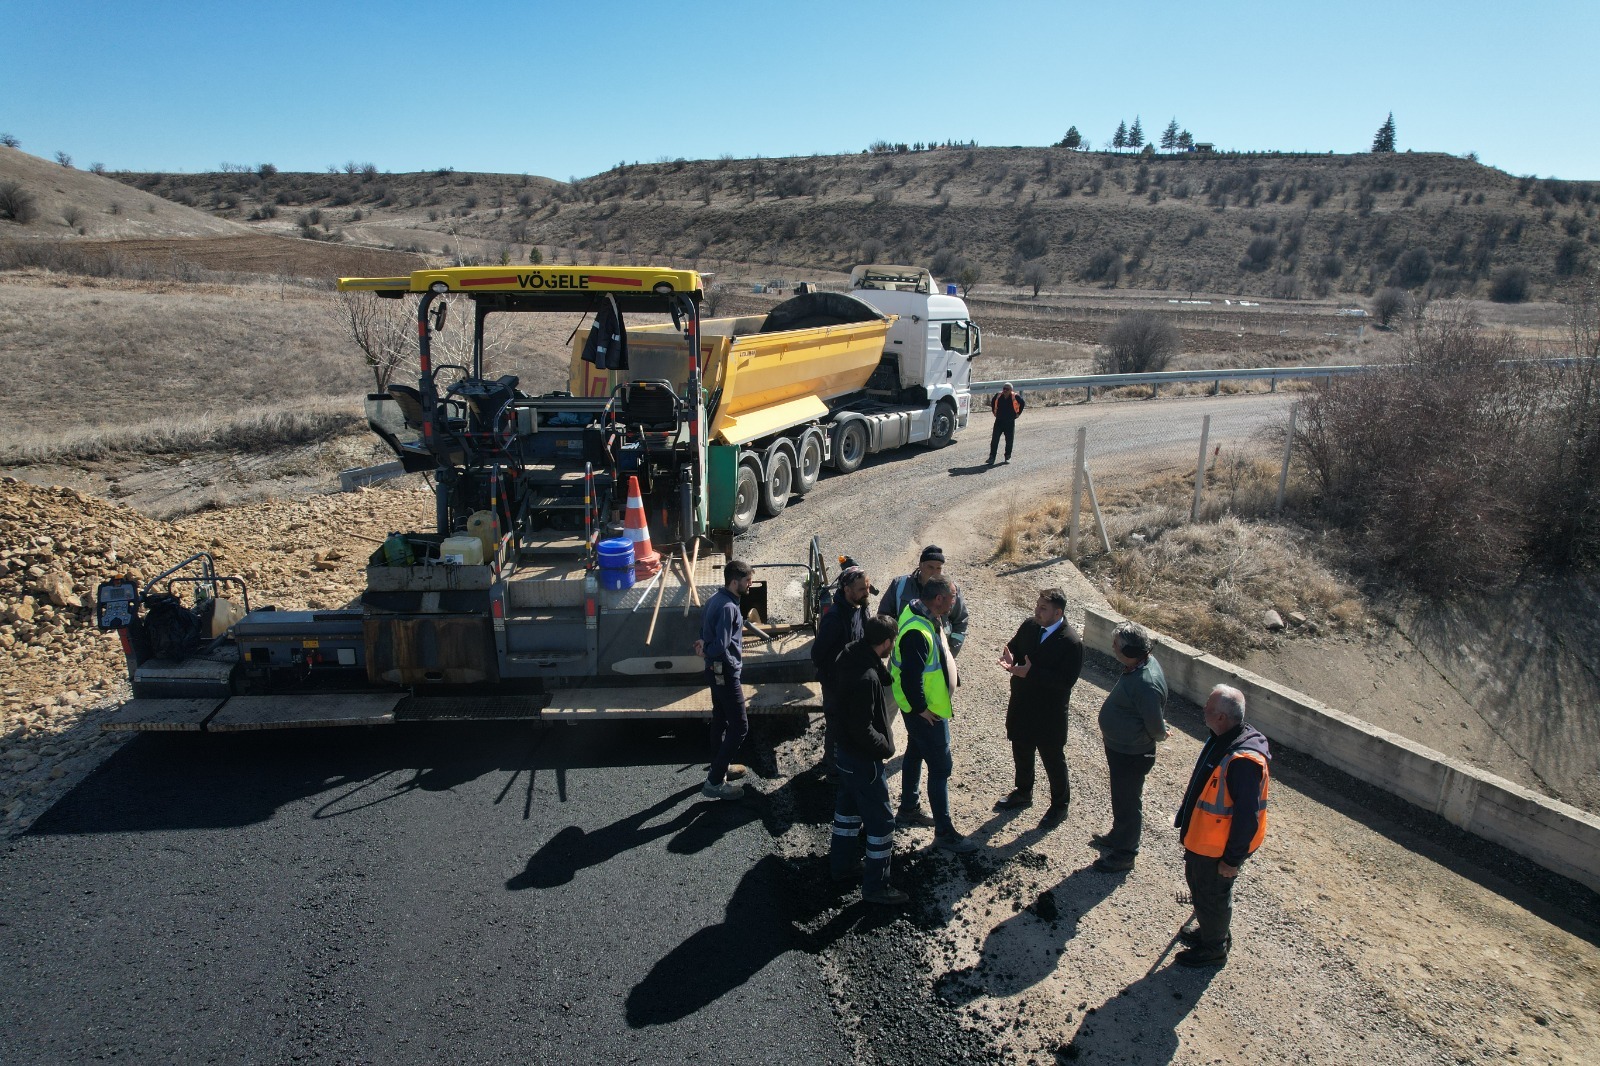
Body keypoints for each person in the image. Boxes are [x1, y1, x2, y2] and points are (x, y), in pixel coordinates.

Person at [1172, 684, 1270, 967]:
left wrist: (1232, 860)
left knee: (1212, 894)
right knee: (1204, 891)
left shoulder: (1243, 762)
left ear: (1223, 718)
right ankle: (1212, 931)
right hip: (1205, 841)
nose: (1203, 710)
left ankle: (1213, 948)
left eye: (1209, 708)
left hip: (1217, 849)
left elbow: (1246, 817)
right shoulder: (1225, 737)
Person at [889, 576, 979, 853]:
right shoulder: (918, 630)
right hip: (927, 713)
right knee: (941, 769)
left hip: (921, 711)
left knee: (915, 754)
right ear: (939, 599)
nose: (955, 602)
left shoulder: (918, 611)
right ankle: (945, 833)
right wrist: (921, 709)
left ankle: (908, 808)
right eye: (952, 598)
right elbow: (910, 677)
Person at [826, 614, 909, 905]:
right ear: (885, 642)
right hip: (863, 760)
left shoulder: (850, 655)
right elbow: (862, 727)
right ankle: (876, 887)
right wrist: (884, 748)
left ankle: (843, 865)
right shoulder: (866, 679)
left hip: (845, 756)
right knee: (882, 824)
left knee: (847, 813)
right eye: (892, 642)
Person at [996, 588, 1084, 827]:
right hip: (1022, 704)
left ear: (1058, 612)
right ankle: (1023, 792)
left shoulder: (1071, 642)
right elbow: (1014, 647)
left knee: (1052, 760)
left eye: (1043, 608)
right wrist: (1009, 657)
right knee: (1021, 750)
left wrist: (1031, 672)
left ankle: (1059, 805)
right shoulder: (1030, 626)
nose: (1037, 611)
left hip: (1049, 714)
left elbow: (1066, 681)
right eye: (1037, 606)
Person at [1090, 621, 1168, 872]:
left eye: (1116, 646)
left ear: (1131, 651)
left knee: (1129, 802)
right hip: (1122, 749)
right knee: (1121, 797)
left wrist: (1162, 733)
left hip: (1132, 754)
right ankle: (1118, 836)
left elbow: (1156, 727)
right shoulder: (1140, 666)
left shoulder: (1146, 683)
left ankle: (1126, 854)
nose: (1113, 648)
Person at [695, 560, 755, 800]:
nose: (750, 584)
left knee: (720, 718)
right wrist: (708, 649)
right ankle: (714, 782)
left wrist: (703, 646)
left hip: (714, 670)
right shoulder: (729, 607)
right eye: (747, 581)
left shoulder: (714, 600)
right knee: (740, 726)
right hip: (726, 672)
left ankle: (719, 764)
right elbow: (720, 645)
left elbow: (704, 633)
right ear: (734, 582)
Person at [876, 545, 969, 657]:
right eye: (930, 567)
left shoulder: (950, 590)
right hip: (903, 652)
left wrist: (951, 651)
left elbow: (961, 621)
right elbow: (884, 616)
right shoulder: (899, 585)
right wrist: (890, 645)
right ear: (920, 565)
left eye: (938, 568)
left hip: (938, 656)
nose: (934, 572)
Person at [987, 382, 1025, 465]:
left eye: (1007, 389)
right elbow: (993, 403)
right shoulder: (998, 396)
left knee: (1009, 440)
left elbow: (1022, 403)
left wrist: (1018, 413)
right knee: (994, 440)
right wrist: (994, 412)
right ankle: (992, 457)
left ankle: (1008, 457)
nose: (1005, 390)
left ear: (1011, 390)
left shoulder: (1015, 397)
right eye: (1004, 388)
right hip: (999, 422)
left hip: (1010, 422)